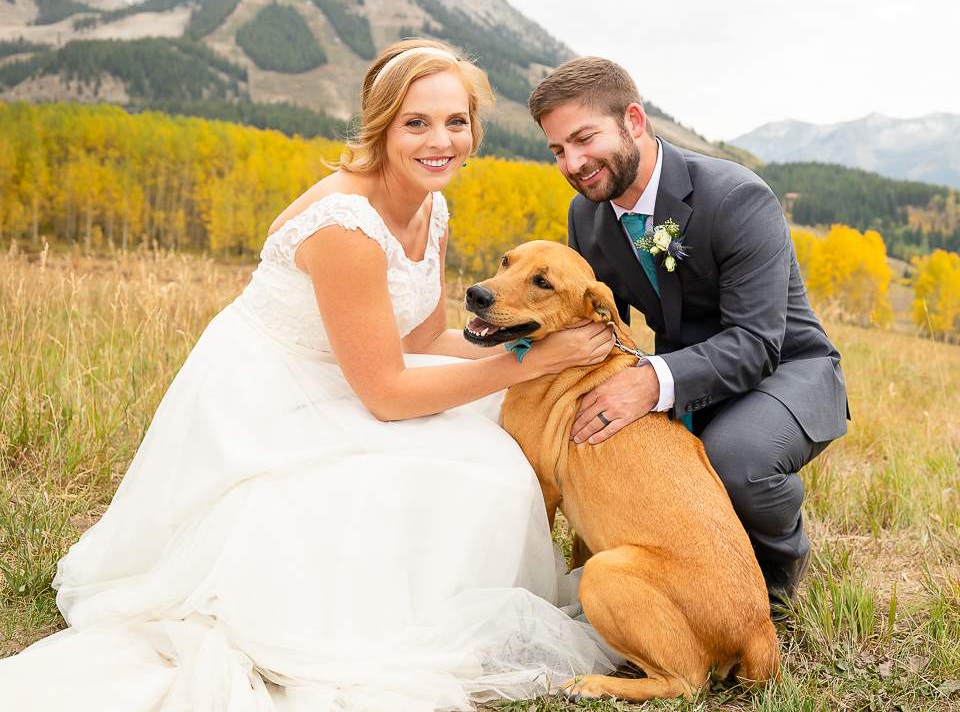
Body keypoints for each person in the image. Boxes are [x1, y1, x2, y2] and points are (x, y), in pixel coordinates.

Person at [0, 40, 623, 710]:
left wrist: (538, 349)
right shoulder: (346, 226)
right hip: (270, 396)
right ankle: (366, 617)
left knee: (495, 459)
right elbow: (387, 392)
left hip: (357, 374)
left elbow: (421, 337)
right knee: (456, 469)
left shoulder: (430, 207)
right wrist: (526, 362)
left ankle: (427, 601)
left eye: (456, 121)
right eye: (416, 122)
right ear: (381, 125)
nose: (440, 139)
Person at [528, 57, 849, 619]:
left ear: (633, 120)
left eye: (584, 139)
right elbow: (596, 321)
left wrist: (649, 382)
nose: (573, 163)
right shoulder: (588, 215)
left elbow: (756, 342)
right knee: (597, 431)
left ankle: (776, 571)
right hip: (681, 372)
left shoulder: (737, 197)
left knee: (735, 456)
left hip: (787, 370)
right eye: (558, 150)